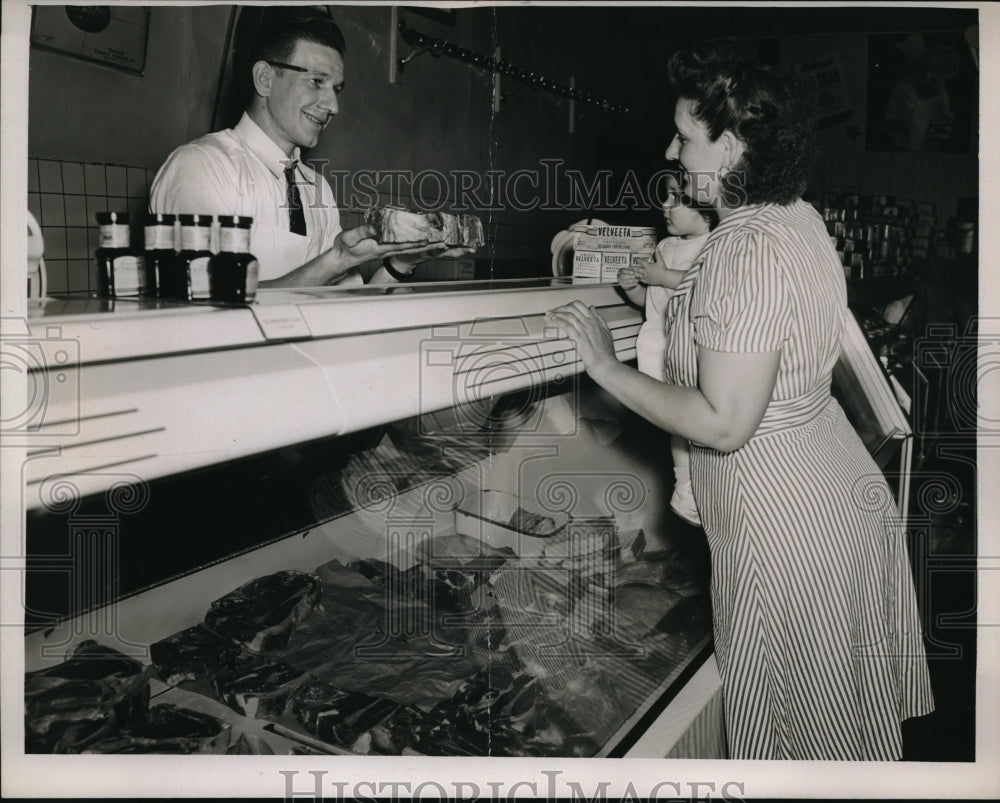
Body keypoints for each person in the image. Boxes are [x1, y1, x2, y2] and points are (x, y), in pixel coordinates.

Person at [547, 46, 934, 760]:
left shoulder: (740, 250)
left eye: (683, 137)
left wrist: (602, 364)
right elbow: (748, 322)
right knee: (839, 741)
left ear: (728, 148)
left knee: (798, 745)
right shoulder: (794, 217)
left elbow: (723, 422)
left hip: (783, 530)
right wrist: (665, 288)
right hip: (834, 494)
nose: (670, 151)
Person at [149, 9, 462, 287]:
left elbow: (346, 310)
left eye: (336, 89)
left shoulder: (316, 187)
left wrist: (401, 264)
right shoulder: (202, 167)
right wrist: (336, 260)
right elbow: (203, 308)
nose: (333, 105)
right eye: (316, 81)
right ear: (264, 78)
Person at [617, 164, 716, 526]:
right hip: (658, 343)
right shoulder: (664, 246)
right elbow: (654, 301)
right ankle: (685, 485)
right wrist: (634, 289)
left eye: (677, 197)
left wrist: (662, 276)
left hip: (690, 349)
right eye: (666, 195)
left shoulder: (715, 247)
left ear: (706, 208)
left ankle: (701, 486)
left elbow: (703, 286)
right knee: (677, 423)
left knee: (694, 421)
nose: (664, 204)